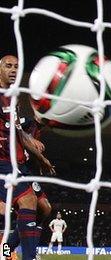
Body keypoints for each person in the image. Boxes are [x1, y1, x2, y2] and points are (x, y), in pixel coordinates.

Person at [0, 55, 55, 260]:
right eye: (8, 66)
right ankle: (29, 257)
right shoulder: (27, 119)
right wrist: (36, 151)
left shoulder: (12, 98)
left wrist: (38, 155)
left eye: (16, 66)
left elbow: (17, 132)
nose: (13, 70)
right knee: (27, 201)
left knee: (44, 208)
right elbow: (19, 131)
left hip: (21, 166)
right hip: (4, 162)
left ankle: (5, 249)